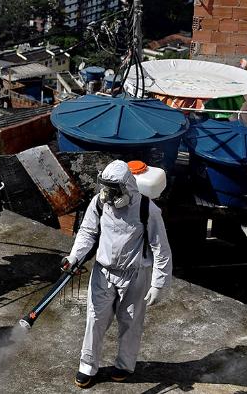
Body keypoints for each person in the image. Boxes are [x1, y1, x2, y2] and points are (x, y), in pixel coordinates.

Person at [61, 159, 172, 388]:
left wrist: (158, 284)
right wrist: (74, 257)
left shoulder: (147, 209)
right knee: (94, 319)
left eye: (114, 189)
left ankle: (124, 365)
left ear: (127, 187)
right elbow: (87, 232)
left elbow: (161, 248)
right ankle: (87, 366)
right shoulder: (100, 203)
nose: (108, 194)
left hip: (135, 274)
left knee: (130, 322)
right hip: (103, 271)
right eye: (106, 188)